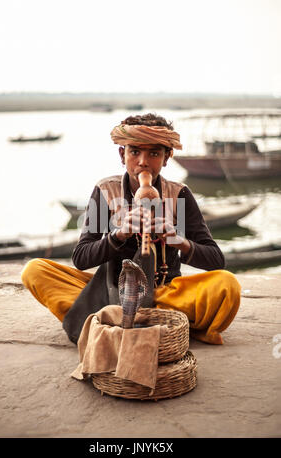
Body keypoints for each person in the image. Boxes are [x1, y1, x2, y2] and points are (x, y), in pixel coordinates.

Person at [21, 113, 241, 345]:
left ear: (167, 158)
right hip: (110, 293)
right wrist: (119, 234)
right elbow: (81, 258)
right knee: (34, 270)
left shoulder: (179, 195)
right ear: (122, 154)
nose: (143, 162)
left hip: (165, 295)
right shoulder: (106, 191)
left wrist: (177, 240)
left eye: (154, 153)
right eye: (134, 151)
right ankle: (142, 320)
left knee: (227, 285)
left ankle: (118, 321)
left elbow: (216, 260)